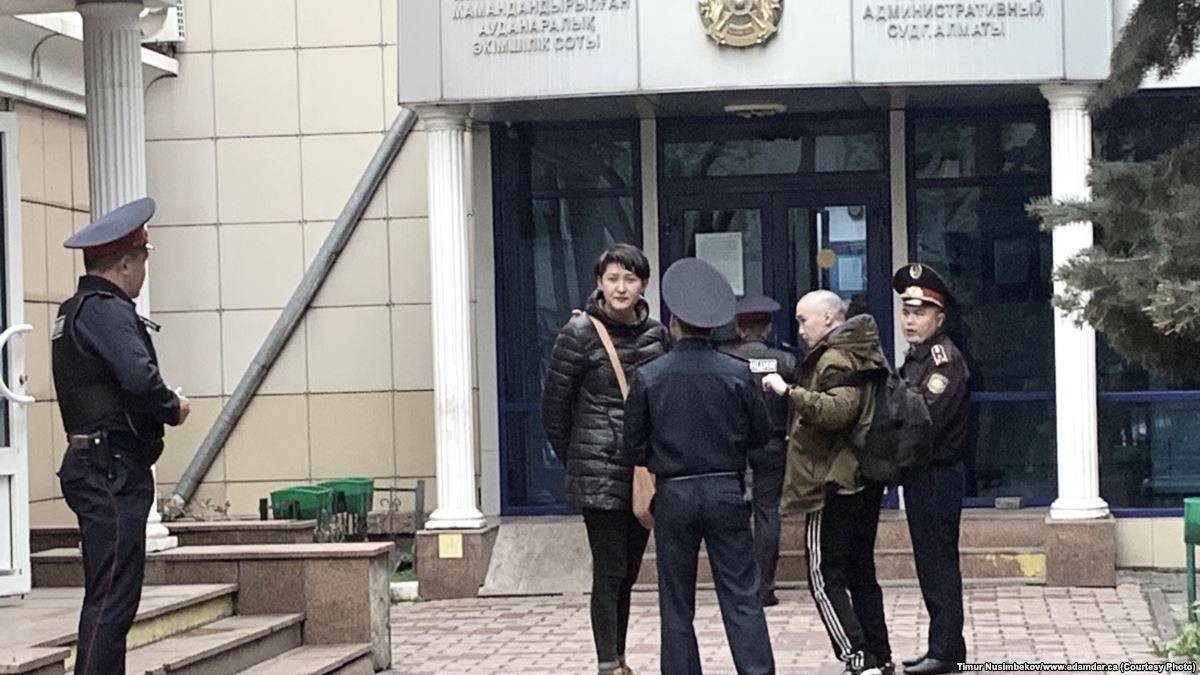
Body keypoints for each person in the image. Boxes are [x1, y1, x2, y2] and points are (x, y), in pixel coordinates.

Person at [51, 198, 191, 674]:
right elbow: (139, 379)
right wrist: (172, 406)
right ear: (126, 263)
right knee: (112, 601)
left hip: (95, 465)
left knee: (108, 596)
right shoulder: (106, 310)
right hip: (110, 471)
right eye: (143, 260)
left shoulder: (75, 310)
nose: (144, 272)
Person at [622, 258, 775, 675]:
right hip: (726, 489)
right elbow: (761, 435)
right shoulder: (737, 373)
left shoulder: (649, 376)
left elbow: (631, 447)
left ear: (673, 322)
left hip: (674, 491)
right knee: (741, 594)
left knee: (676, 601)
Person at [540, 243, 668, 675]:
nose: (621, 287)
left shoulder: (657, 335)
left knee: (629, 571)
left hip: (643, 471)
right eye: (613, 278)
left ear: (643, 284)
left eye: (630, 279)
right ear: (600, 282)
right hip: (599, 471)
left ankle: (621, 657)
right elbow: (554, 410)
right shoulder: (577, 334)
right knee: (610, 570)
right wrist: (581, 459)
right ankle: (607, 662)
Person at [762, 290, 891, 675]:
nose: (800, 329)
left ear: (830, 319)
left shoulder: (835, 356)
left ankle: (858, 656)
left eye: (804, 320)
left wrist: (788, 391)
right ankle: (879, 655)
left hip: (833, 480)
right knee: (860, 571)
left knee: (823, 575)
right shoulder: (865, 350)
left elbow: (837, 411)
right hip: (862, 475)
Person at [892, 263, 971, 675]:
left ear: (939, 318)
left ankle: (946, 651)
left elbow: (923, 420)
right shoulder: (916, 358)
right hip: (920, 475)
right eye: (906, 312)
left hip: (938, 474)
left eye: (920, 313)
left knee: (939, 563)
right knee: (929, 563)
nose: (910, 320)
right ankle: (944, 646)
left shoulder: (944, 361)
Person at [719, 295, 796, 607]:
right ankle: (764, 587)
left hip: (732, 447)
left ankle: (738, 584)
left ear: (739, 328)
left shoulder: (724, 359)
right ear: (767, 329)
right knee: (767, 512)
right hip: (773, 444)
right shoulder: (785, 361)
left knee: (732, 513)